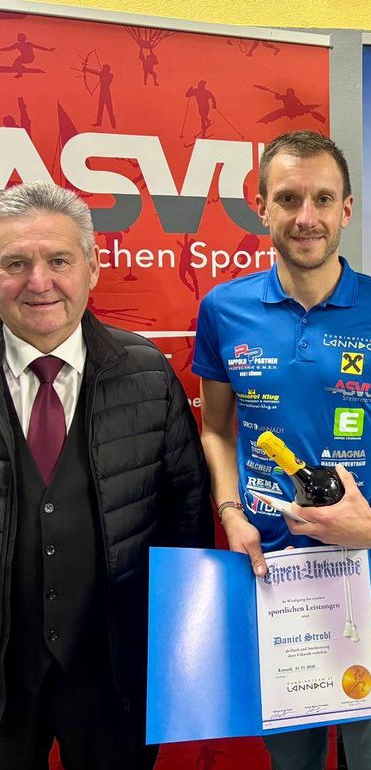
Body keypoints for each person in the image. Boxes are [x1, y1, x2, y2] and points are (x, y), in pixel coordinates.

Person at [193, 131, 371, 770]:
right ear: (261, 206)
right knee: (292, 764)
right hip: (271, 577)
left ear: (347, 209)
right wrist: (230, 515)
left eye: (323, 199)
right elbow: (217, 431)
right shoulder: (224, 310)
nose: (307, 217)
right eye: (289, 198)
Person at [0, 182, 213, 769]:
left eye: (59, 260)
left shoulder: (146, 373)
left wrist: (175, 654)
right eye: (15, 263)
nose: (38, 281)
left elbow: (186, 518)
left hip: (114, 675)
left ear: (92, 268)